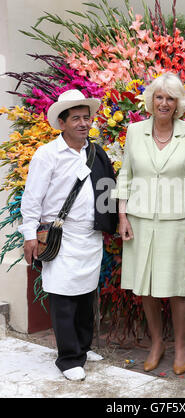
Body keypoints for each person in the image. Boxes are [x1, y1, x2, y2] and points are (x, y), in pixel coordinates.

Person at [18, 89, 117, 381]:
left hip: (89, 237)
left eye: (87, 118)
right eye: (76, 118)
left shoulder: (96, 153)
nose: (83, 124)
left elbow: (107, 190)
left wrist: (110, 222)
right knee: (63, 297)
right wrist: (29, 235)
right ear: (62, 123)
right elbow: (32, 199)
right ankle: (68, 358)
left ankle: (83, 349)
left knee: (86, 295)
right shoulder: (47, 154)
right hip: (60, 237)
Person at [112, 72, 185, 375]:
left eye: (170, 98)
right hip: (139, 219)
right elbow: (125, 174)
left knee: (177, 287)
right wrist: (122, 215)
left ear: (178, 103)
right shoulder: (135, 130)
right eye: (159, 97)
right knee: (146, 287)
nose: (164, 103)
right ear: (151, 100)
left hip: (176, 219)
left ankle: (179, 345)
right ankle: (157, 343)